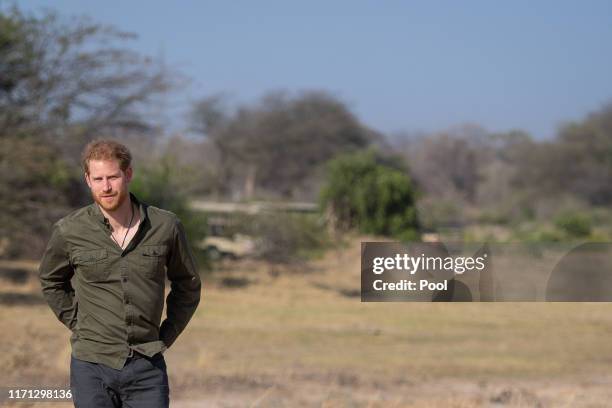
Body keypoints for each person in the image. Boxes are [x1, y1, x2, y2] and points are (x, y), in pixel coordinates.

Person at [39, 140, 201, 408]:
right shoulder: (69, 230)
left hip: (147, 367)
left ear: (128, 174)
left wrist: (167, 334)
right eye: (98, 178)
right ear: (88, 180)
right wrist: (78, 323)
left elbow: (188, 284)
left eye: (113, 177)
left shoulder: (166, 226)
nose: (106, 187)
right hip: (91, 367)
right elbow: (51, 280)